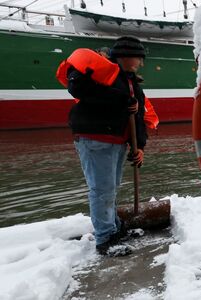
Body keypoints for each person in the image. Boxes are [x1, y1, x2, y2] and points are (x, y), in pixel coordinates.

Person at [66, 36, 148, 256]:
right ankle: (105, 239)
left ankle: (114, 228)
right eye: (138, 58)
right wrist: (121, 99)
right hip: (97, 139)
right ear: (125, 56)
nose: (140, 63)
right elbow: (77, 87)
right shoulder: (99, 73)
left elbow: (139, 115)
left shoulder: (131, 82)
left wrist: (139, 146)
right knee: (102, 190)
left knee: (110, 188)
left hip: (117, 141)